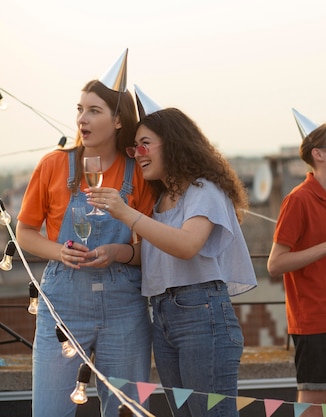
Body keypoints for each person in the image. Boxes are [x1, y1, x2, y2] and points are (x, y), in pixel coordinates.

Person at [88, 86, 257, 417]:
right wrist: (118, 252)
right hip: (164, 314)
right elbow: (156, 252)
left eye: (145, 144)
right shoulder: (160, 198)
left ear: (174, 144)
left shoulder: (203, 189)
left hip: (201, 313)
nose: (138, 153)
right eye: (136, 147)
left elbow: (186, 245)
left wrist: (127, 214)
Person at [16, 50, 154, 417]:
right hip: (63, 305)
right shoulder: (53, 165)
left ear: (119, 119)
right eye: (80, 109)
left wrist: (120, 252)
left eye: (94, 110)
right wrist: (59, 252)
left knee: (128, 410)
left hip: (125, 306)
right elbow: (25, 233)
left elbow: (153, 248)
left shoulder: (138, 172)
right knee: (49, 410)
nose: (82, 119)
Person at [266, 109, 326, 417]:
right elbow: (275, 264)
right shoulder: (298, 199)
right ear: (318, 154)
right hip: (312, 318)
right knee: (312, 403)